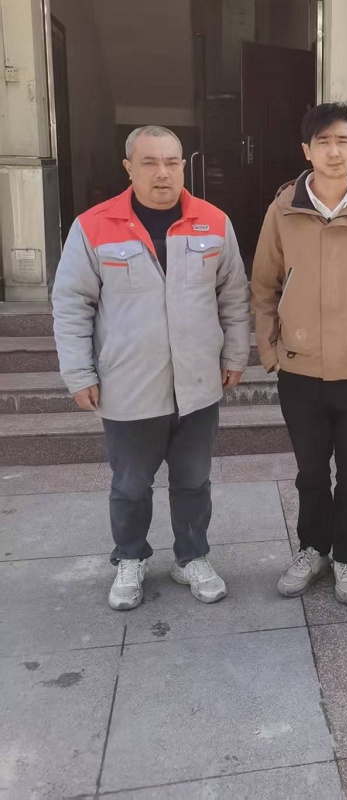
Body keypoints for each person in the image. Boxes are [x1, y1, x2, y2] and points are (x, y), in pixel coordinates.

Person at [52, 126, 251, 611]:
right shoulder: (93, 226)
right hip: (128, 385)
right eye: (150, 162)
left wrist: (235, 355)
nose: (163, 173)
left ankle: (192, 557)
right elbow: (72, 304)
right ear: (129, 168)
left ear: (184, 165)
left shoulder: (214, 222)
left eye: (172, 162)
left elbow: (233, 295)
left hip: (197, 384)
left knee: (193, 481)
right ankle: (130, 558)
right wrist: (79, 374)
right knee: (130, 485)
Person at [251, 103, 347, 604]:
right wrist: (270, 350)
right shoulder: (283, 210)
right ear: (306, 150)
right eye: (323, 142)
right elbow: (264, 284)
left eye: (342, 141)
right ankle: (313, 550)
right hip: (299, 368)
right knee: (311, 472)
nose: (333, 151)